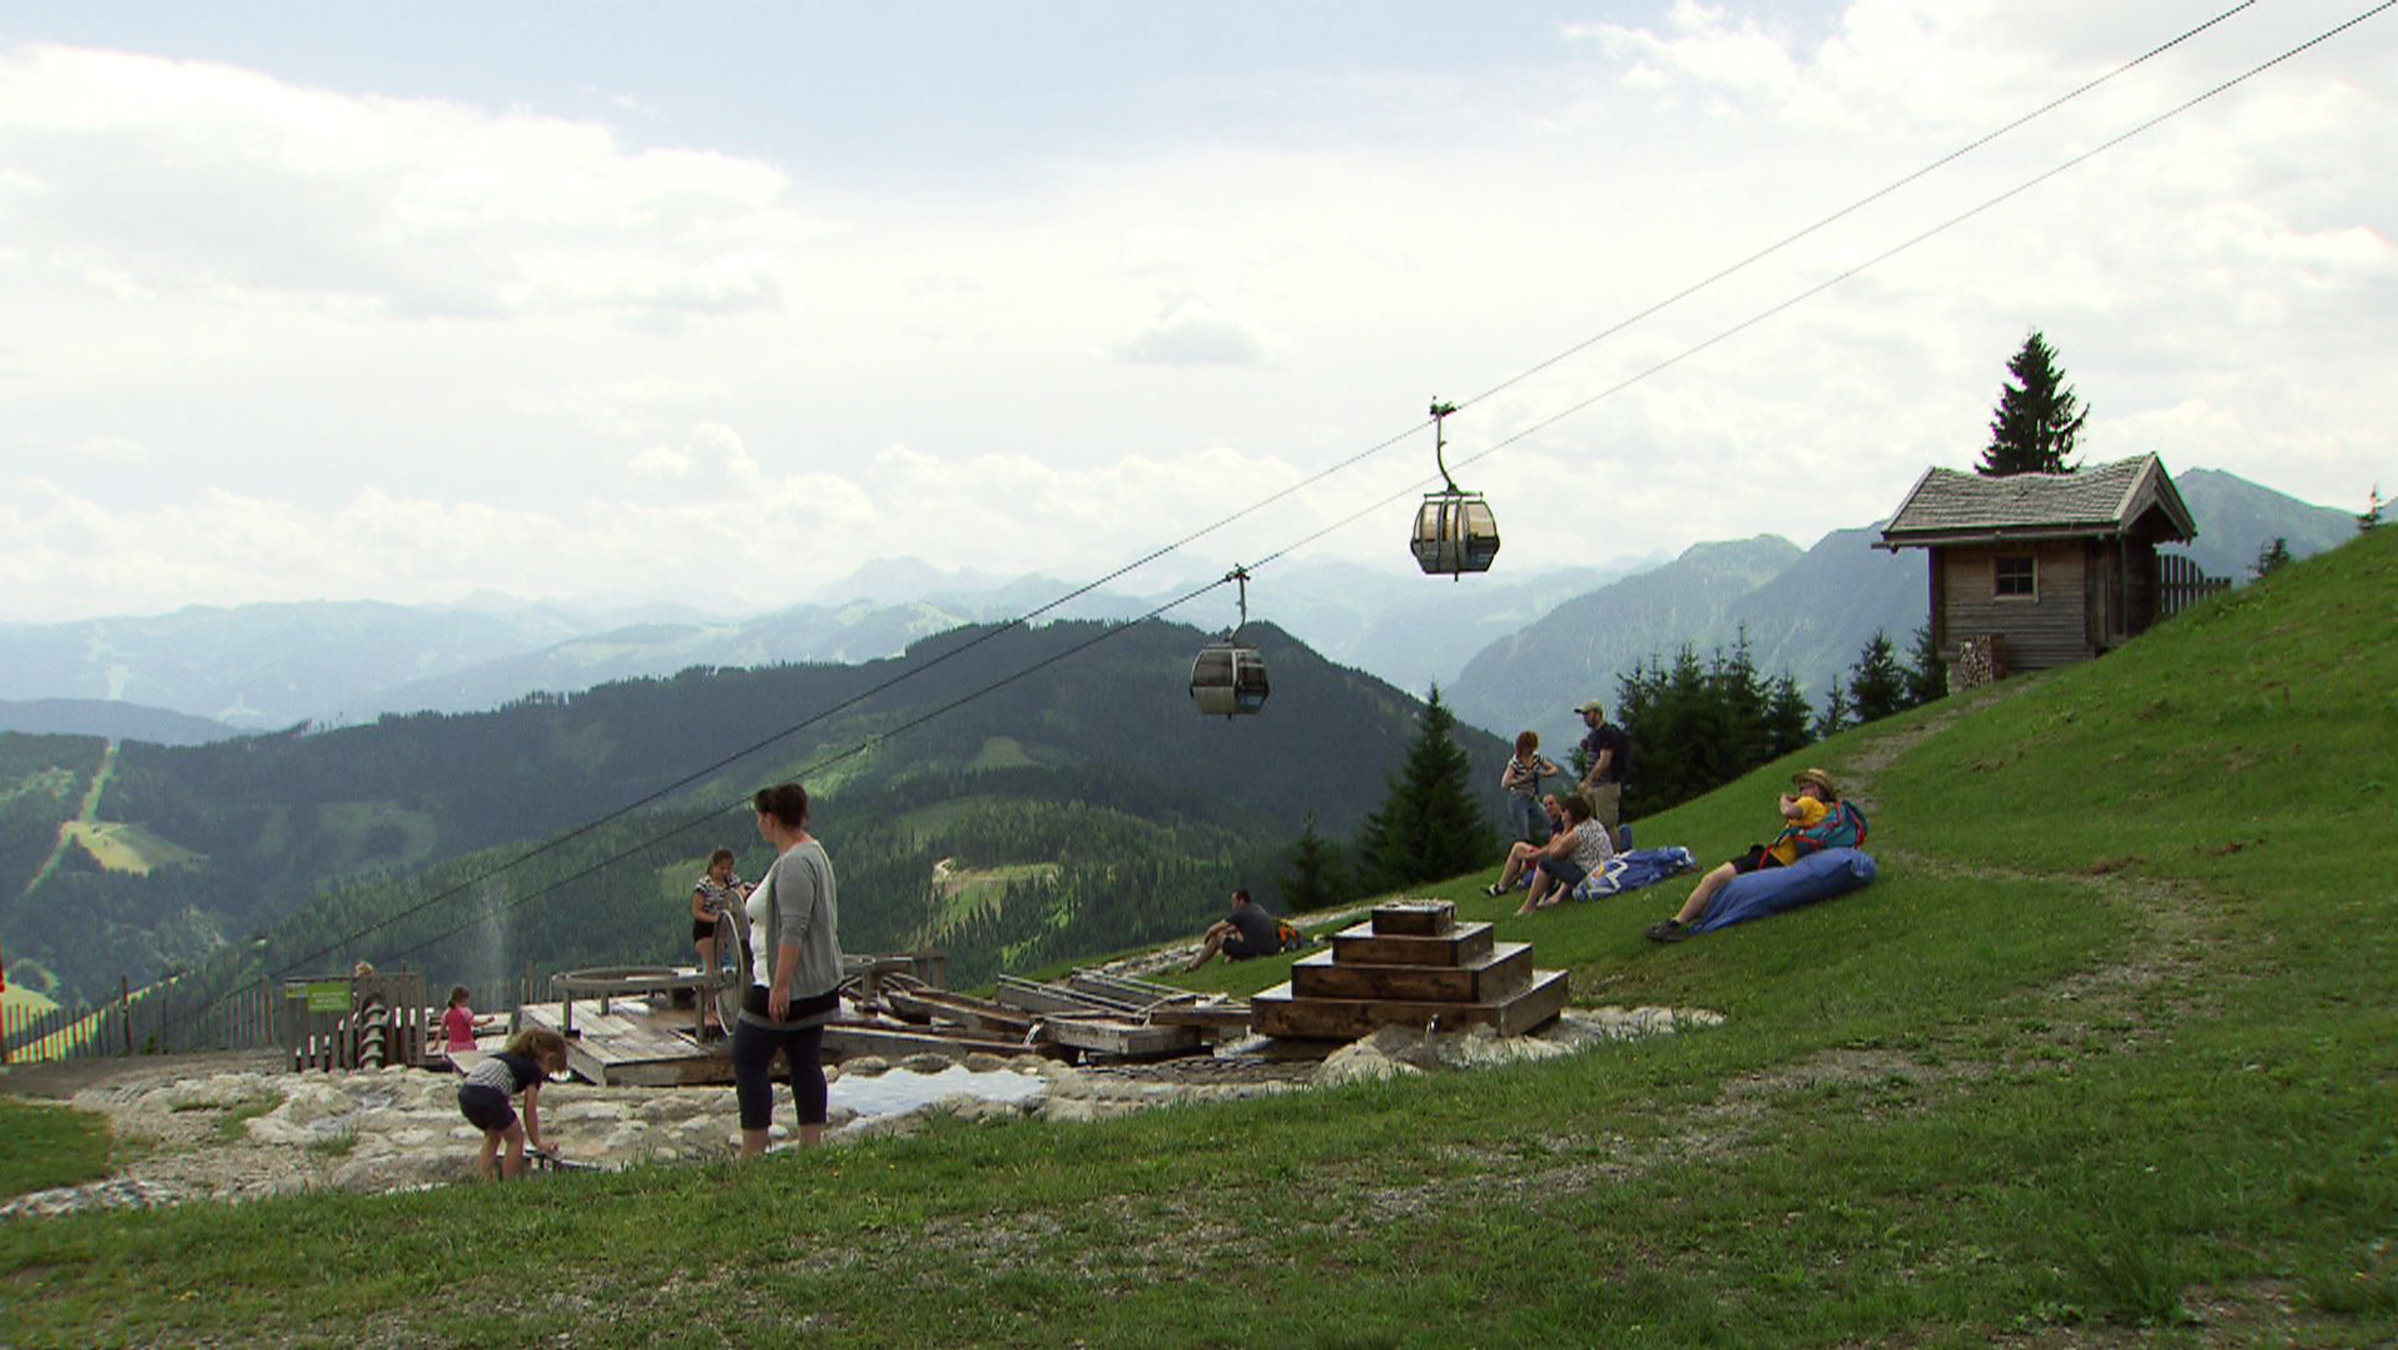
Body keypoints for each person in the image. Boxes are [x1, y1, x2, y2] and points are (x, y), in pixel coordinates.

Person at [735, 782, 843, 1157]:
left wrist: (780, 986)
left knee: (747, 1057)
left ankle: (753, 1149)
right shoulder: (811, 852)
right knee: (804, 1060)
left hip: (789, 985)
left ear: (772, 818)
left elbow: (794, 927)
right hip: (817, 984)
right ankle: (810, 1148)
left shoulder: (795, 863)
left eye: (760, 817)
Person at [1646, 768, 1840, 943]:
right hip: (1779, 862)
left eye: (1805, 787)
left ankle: (1675, 923)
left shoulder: (1809, 803)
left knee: (1712, 879)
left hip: (1772, 859)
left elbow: (1788, 812)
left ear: (1816, 790)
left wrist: (1784, 799)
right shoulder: (1822, 812)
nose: (1801, 792)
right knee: (1722, 888)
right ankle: (1686, 918)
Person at [456, 1025, 569, 1181]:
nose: (545, 1076)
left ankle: (485, 1181)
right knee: (515, 1138)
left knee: (493, 1135)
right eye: (550, 1070)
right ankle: (511, 1183)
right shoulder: (533, 1070)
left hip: (467, 1093)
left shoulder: (510, 1057)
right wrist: (537, 1142)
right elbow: (529, 1109)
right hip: (488, 1094)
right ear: (549, 1058)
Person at [1516, 792, 1616, 916]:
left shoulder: (1578, 832)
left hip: (1591, 874)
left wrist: (1564, 831)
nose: (1563, 815)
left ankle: (1529, 906)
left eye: (1565, 811)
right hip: (1605, 869)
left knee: (1546, 863)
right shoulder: (1594, 824)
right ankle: (1550, 896)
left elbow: (1554, 853)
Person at [691, 847, 750, 1027]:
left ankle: (727, 1005)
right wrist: (716, 918)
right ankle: (709, 1007)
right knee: (712, 966)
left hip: (726, 931)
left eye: (728, 869)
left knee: (729, 965)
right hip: (706, 931)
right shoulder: (704, 885)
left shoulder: (732, 882)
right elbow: (696, 911)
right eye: (721, 868)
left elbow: (740, 895)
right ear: (713, 866)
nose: (725, 872)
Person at [1484, 793, 1568, 896]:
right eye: (1545, 805)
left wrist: (1529, 857)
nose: (1548, 808)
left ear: (1559, 805)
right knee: (1520, 852)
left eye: (1551, 804)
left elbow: (1552, 849)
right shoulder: (1554, 824)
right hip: (1552, 860)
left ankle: (1502, 887)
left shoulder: (1562, 823)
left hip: (1555, 863)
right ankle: (1505, 884)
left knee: (1518, 848)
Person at [1186, 888, 1284, 971]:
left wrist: (1207, 939)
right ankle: (1230, 959)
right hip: (1270, 949)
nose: (1232, 904)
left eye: (1234, 901)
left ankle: (1193, 966)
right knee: (1235, 933)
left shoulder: (1241, 913)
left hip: (1254, 951)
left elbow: (1213, 929)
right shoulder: (1257, 908)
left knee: (1217, 938)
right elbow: (1234, 929)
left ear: (1241, 901)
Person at [1572, 699, 1630, 838]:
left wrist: (1588, 781)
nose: (1585, 718)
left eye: (1587, 714)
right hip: (1596, 786)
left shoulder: (1607, 733)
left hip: (1607, 785)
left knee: (1608, 824)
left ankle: (1615, 855)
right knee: (1593, 823)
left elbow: (1604, 761)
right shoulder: (1596, 734)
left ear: (1597, 714)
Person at [1499, 731, 1565, 846]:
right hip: (1518, 798)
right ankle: (1525, 859)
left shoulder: (1536, 757)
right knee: (1523, 834)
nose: (1530, 750)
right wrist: (1523, 779)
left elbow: (1554, 769)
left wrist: (1542, 774)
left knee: (1548, 823)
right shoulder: (1515, 762)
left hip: (1532, 798)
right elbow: (1505, 783)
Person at [441, 985, 491, 1054]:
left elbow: (441, 1030)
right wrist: (487, 1021)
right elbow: (475, 1024)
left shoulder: (447, 1013)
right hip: (466, 1045)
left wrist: (436, 1044)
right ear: (462, 999)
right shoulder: (465, 1012)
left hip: (454, 1046)